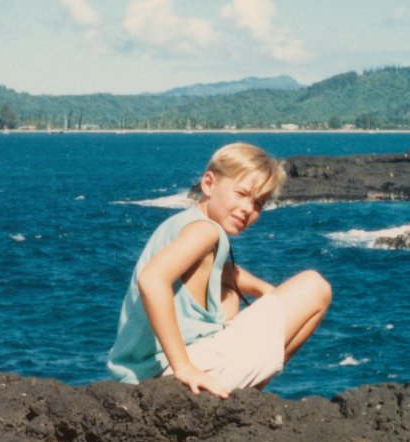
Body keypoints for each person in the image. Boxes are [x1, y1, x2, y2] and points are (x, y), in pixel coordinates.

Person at [107, 143, 331, 397]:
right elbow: (152, 280)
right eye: (241, 193)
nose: (248, 209)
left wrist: (265, 290)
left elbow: (225, 272)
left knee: (228, 293)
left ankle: (234, 395)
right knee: (315, 286)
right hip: (176, 369)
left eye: (258, 203)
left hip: (138, 373)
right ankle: (243, 398)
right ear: (208, 184)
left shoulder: (182, 224)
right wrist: (184, 368)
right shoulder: (206, 231)